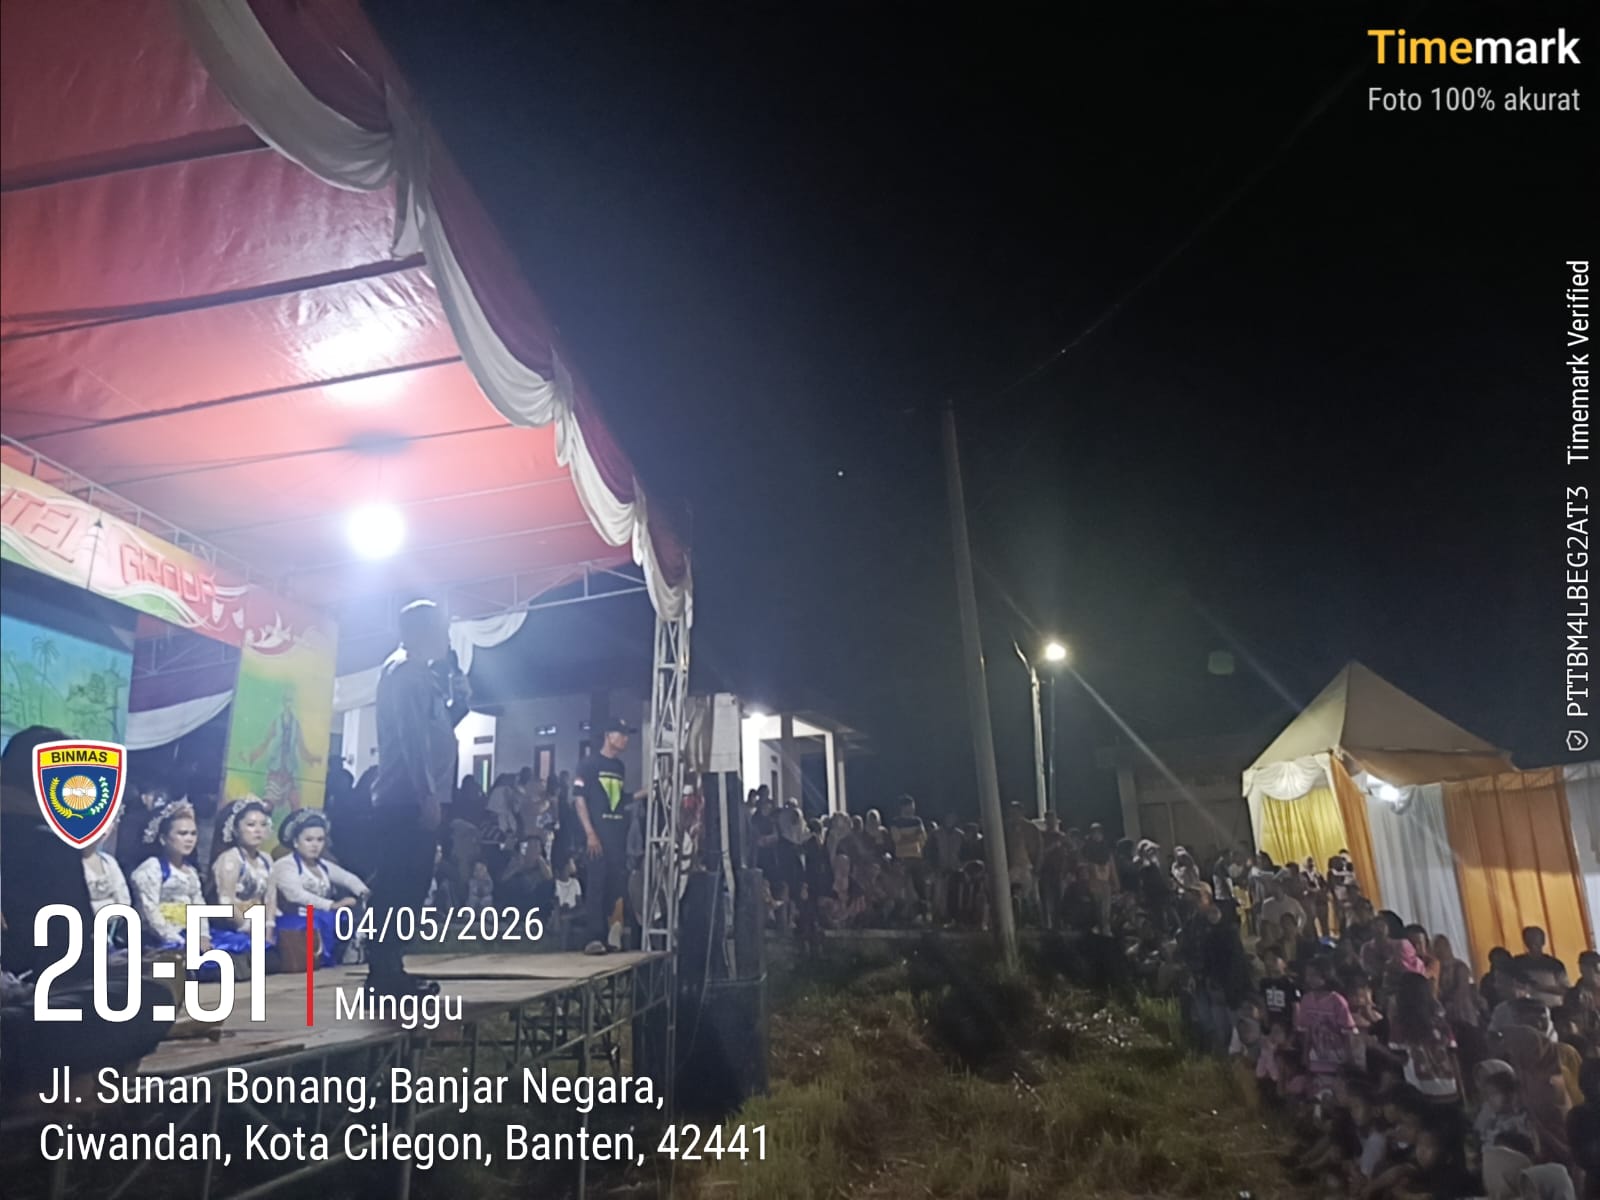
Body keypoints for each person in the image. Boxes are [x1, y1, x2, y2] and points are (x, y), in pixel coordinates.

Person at [370, 598, 457, 996]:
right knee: (399, 886)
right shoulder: (406, 672)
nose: (446, 637)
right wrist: (427, 794)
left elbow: (433, 730)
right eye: (441, 628)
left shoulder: (420, 673)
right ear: (422, 631)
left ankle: (391, 969)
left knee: (408, 886)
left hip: (411, 796)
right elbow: (412, 738)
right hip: (405, 798)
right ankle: (384, 974)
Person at [572, 717, 647, 955]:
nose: (625, 740)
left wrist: (641, 794)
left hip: (617, 835)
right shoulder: (588, 764)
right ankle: (593, 938)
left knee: (616, 885)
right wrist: (590, 832)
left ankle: (612, 934)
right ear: (608, 735)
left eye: (626, 735)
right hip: (597, 835)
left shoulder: (619, 767)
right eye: (621, 734)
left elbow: (618, 800)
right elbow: (579, 798)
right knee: (596, 885)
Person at [270, 809, 368, 966]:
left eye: (320, 840)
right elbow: (294, 894)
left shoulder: (322, 865)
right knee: (322, 921)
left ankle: (353, 952)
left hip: (323, 915)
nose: (315, 845)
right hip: (296, 919)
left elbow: (347, 878)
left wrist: (364, 892)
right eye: (309, 840)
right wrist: (332, 905)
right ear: (295, 841)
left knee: (352, 917)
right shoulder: (285, 865)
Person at [129, 801, 215, 952]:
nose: (189, 839)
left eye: (193, 834)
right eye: (182, 833)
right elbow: (150, 911)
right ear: (163, 839)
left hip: (188, 934)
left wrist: (203, 935)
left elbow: (199, 905)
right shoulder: (151, 868)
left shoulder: (191, 871)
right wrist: (179, 941)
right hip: (157, 938)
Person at [211, 796, 278, 948]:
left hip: (260, 926)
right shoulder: (230, 858)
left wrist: (268, 928)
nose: (258, 830)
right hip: (234, 928)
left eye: (263, 824)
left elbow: (270, 898)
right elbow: (226, 902)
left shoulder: (266, 859)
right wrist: (248, 928)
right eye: (251, 825)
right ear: (235, 829)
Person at [1387, 971, 1463, 1102]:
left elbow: (1400, 1059)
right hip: (1449, 1090)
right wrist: (1461, 1091)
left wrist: (1375, 1046)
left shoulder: (1401, 1024)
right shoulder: (1441, 1023)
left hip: (1422, 1094)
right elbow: (1453, 1057)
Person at [1297, 957, 1362, 1080]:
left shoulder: (1337, 1001)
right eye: (1308, 975)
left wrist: (1349, 1058)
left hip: (1337, 1057)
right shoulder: (1306, 1000)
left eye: (1314, 975)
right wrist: (1305, 1054)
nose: (1309, 979)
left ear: (1325, 975)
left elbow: (1347, 1033)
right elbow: (1307, 1031)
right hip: (1316, 1056)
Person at [1515, 927, 1573, 1010]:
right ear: (1525, 942)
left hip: (1553, 1009)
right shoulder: (1517, 963)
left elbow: (1566, 991)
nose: (1532, 943)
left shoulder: (1555, 964)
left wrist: (1540, 988)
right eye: (1529, 940)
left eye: (1535, 939)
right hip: (1527, 1010)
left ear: (1543, 941)